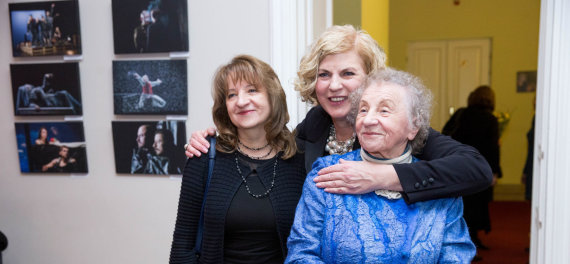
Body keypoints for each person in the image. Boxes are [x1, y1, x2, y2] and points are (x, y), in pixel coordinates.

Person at [285, 68, 475, 264]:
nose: (369, 119)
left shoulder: (435, 184)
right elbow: (299, 259)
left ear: (413, 127)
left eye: (384, 109)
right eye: (363, 109)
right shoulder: (328, 174)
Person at [185, 25, 493, 204]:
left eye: (347, 73)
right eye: (323, 75)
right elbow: (269, 155)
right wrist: (216, 137)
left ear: (371, 77)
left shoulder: (394, 130)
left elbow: (476, 170)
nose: (334, 86)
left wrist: (381, 177)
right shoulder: (315, 126)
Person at [162, 55, 308, 264]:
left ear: (272, 95)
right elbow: (183, 237)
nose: (241, 101)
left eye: (252, 90)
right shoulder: (205, 156)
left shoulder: (300, 161)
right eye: (231, 94)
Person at [442, 86, 502, 257]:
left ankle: (467, 239)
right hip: (479, 167)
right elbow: (492, 149)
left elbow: (445, 135)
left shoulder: (461, 114)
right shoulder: (490, 119)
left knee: (464, 204)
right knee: (478, 204)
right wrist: (495, 172)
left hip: (459, 166)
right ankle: (471, 241)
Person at [516, 97, 536, 264]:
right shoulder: (536, 117)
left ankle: (535, 261)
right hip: (533, 170)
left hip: (536, 173)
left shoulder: (539, 118)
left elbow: (534, 152)